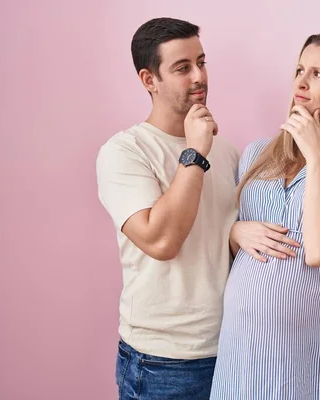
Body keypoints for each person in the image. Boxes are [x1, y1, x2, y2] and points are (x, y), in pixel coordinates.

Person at [210, 31, 320, 399]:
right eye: (299, 70)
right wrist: (235, 232)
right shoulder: (257, 153)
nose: (301, 83)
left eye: (319, 74)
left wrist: (316, 158)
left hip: (314, 354)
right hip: (243, 349)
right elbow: (227, 236)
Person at [95, 17, 239, 399]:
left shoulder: (227, 152)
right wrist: (194, 154)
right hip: (163, 363)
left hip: (235, 350)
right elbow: (161, 241)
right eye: (182, 68)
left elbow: (228, 245)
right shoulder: (125, 152)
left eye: (202, 62)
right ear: (149, 80)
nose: (199, 77)